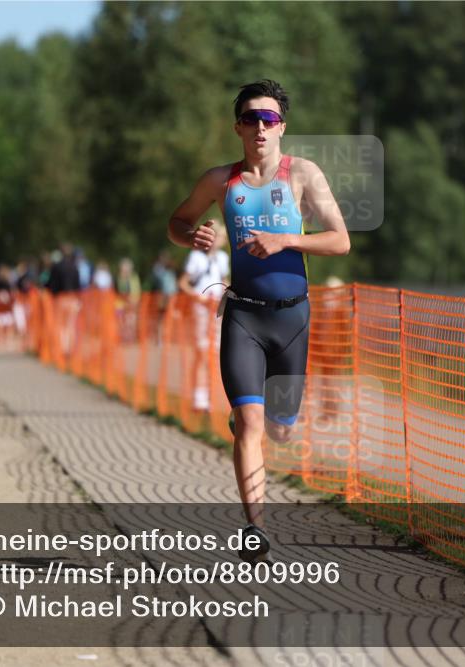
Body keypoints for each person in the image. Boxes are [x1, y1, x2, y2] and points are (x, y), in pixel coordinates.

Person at [167, 79, 350, 561]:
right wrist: (194, 237)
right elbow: (177, 222)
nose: (260, 128)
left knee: (281, 430)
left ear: (282, 127)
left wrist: (286, 241)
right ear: (238, 128)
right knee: (250, 425)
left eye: (269, 119)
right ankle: (256, 530)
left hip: (293, 320)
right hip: (244, 316)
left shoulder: (303, 175)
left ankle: (262, 420)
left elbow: (340, 240)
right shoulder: (219, 181)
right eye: (251, 119)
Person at [178, 224, 230, 412]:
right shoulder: (196, 257)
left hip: (216, 310)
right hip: (201, 309)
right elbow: (183, 283)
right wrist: (198, 297)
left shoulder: (222, 259)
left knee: (215, 352)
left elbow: (224, 281)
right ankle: (198, 396)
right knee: (201, 351)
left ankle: (211, 395)